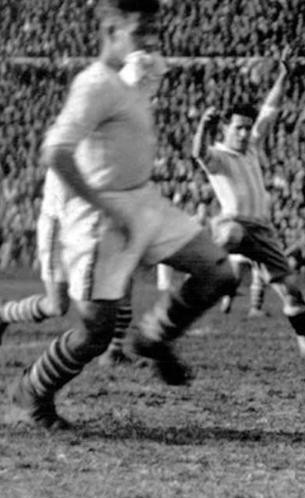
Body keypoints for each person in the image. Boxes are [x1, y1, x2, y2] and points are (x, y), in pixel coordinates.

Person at [5, 0, 238, 430]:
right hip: (100, 222)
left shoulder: (130, 78)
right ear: (112, 30)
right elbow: (54, 152)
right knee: (94, 335)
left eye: (153, 29)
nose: (149, 40)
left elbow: (146, 80)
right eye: (139, 30)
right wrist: (104, 206)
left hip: (145, 203)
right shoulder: (94, 84)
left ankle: (153, 338)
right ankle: (33, 390)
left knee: (219, 273)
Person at [190, 48, 305, 360]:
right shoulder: (218, 155)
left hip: (262, 230)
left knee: (291, 290)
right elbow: (198, 152)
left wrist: (284, 76)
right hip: (232, 223)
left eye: (248, 127)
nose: (246, 132)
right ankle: (204, 274)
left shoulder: (250, 148)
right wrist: (204, 126)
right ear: (226, 128)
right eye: (239, 127)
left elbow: (270, 108)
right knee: (232, 236)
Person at [0, 169, 133, 369]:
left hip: (95, 223)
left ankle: (113, 350)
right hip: (60, 224)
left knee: (123, 278)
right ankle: (4, 313)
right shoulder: (69, 146)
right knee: (56, 306)